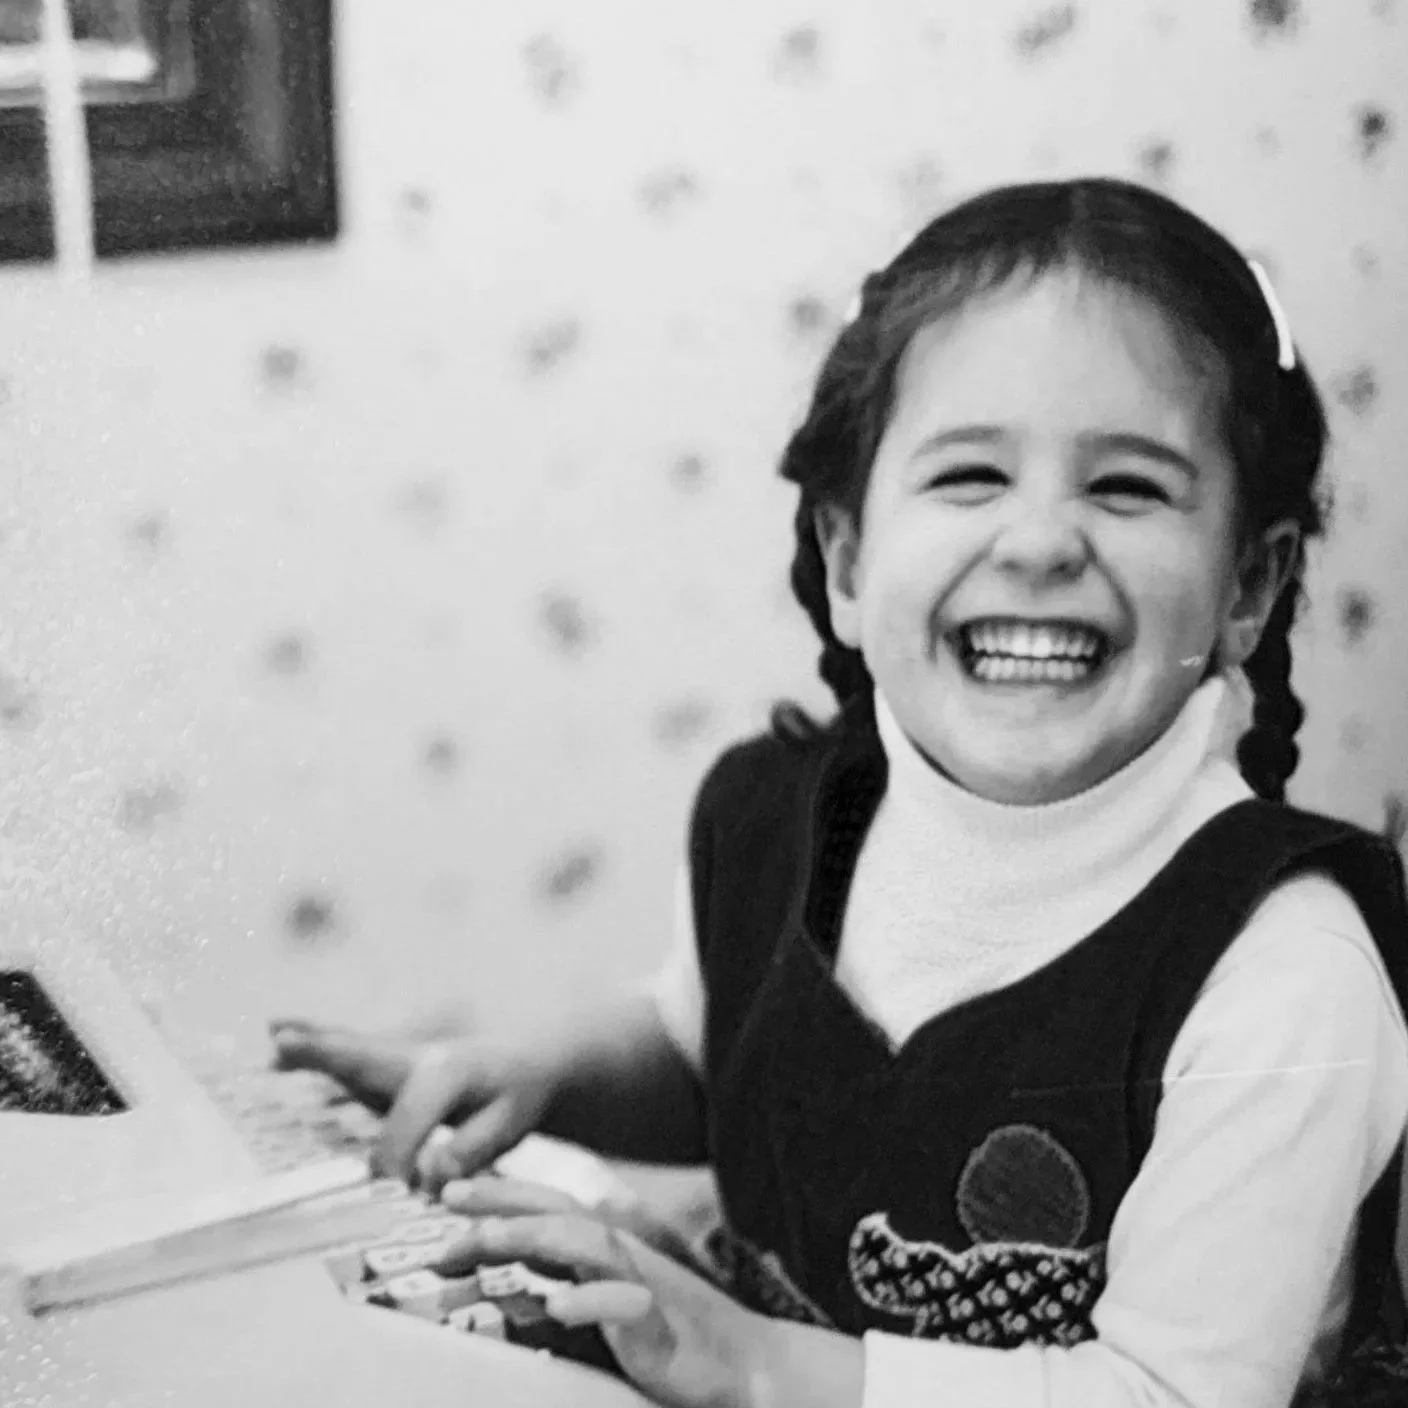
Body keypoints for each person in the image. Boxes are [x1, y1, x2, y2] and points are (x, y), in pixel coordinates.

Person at [272, 177, 1408, 1408]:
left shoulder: (1288, 979)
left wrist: (746, 1358)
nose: (1037, 542)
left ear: (1249, 584)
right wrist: (534, 1070)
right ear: (848, 559)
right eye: (970, 475)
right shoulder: (777, 819)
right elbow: (724, 1061)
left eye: (1125, 487)